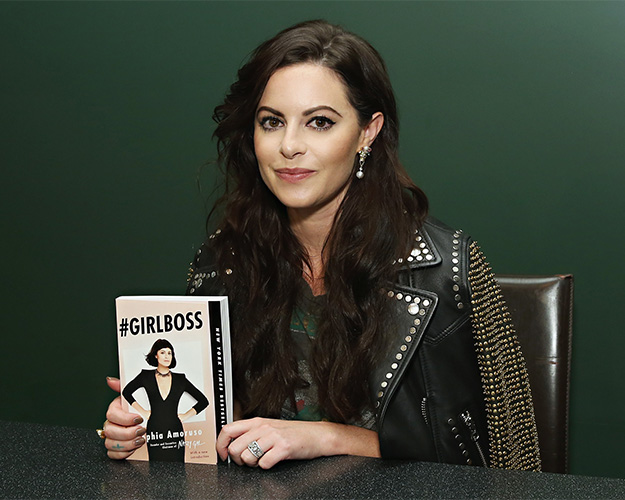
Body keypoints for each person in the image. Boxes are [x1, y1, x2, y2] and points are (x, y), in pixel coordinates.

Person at [102, 19, 541, 471]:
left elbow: (501, 463)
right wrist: (147, 432)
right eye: (272, 122)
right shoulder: (223, 261)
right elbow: (213, 436)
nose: (289, 145)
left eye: (319, 122)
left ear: (368, 131)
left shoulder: (445, 267)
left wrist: (328, 437)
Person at [120, 338, 209, 461]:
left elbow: (203, 401)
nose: (167, 356)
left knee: (178, 468)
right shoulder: (145, 376)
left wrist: (185, 416)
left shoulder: (180, 379)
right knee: (155, 467)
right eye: (162, 352)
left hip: (175, 429)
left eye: (169, 353)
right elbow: (126, 392)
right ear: (156, 355)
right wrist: (143, 412)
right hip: (155, 429)